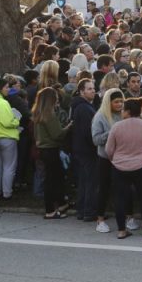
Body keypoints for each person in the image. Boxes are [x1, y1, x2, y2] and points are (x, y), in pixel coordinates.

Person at [105, 98, 142, 239]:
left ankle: (122, 230)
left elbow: (108, 149)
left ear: (127, 111)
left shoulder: (117, 127)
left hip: (120, 166)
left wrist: (114, 159)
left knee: (120, 199)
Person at [89, 88, 125, 233]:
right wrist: (113, 131)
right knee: (104, 188)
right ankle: (100, 219)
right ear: (108, 102)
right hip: (105, 158)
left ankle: (126, 217)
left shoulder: (123, 114)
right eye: (116, 102)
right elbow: (96, 139)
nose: (120, 104)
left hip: (122, 157)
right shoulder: (100, 117)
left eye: (122, 101)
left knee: (122, 189)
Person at [32, 85, 71, 220]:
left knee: (52, 178)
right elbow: (57, 134)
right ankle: (50, 210)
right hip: (51, 148)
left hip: (43, 149)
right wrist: (68, 127)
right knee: (53, 180)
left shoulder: (38, 112)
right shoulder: (50, 114)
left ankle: (60, 204)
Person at [69, 78, 98, 219]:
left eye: (93, 88)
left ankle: (82, 210)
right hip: (87, 150)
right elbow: (88, 132)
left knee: (84, 181)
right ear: (81, 91)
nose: (93, 91)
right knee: (89, 182)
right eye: (89, 89)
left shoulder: (81, 106)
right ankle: (88, 211)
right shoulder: (84, 108)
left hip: (80, 149)